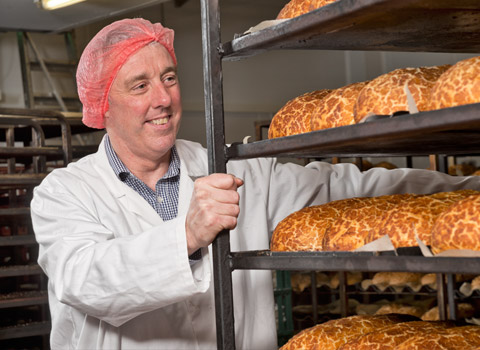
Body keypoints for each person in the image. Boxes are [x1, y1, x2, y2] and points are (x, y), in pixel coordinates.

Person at [30, 18, 480, 350]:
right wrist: (185, 235)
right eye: (140, 85)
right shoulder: (64, 193)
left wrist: (465, 194)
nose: (163, 99)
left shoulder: (229, 167)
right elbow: (84, 279)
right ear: (101, 106)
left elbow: (349, 191)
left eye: (169, 78)